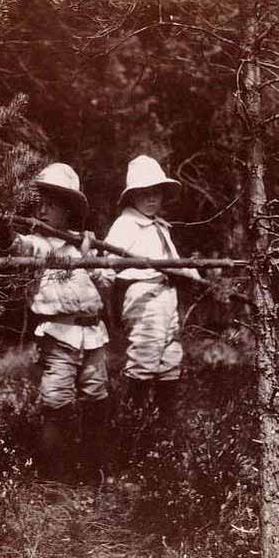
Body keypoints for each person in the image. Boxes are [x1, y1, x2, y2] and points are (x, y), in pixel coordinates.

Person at [4, 162, 110, 481]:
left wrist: (89, 257)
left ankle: (94, 470)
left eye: (55, 205)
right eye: (41, 204)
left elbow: (107, 279)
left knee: (96, 396)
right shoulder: (39, 244)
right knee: (56, 399)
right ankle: (55, 476)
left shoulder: (84, 242)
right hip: (59, 334)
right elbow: (17, 246)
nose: (46, 210)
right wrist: (4, 231)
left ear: (69, 210)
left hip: (92, 335)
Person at [103, 155, 200, 448]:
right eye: (143, 193)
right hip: (143, 295)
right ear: (131, 196)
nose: (150, 199)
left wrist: (194, 275)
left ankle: (164, 433)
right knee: (144, 359)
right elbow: (108, 262)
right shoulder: (125, 225)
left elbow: (175, 263)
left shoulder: (161, 227)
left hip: (167, 295)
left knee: (169, 359)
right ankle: (132, 436)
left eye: (155, 192)